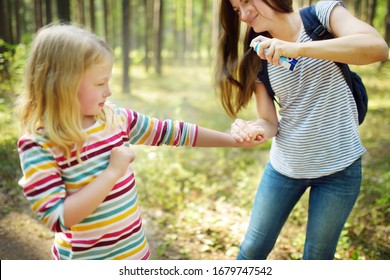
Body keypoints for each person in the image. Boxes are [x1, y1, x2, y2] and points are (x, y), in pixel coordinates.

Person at [16, 23, 264, 260]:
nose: (108, 91)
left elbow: (173, 132)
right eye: (100, 83)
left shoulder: (115, 118)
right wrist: (113, 172)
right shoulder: (39, 145)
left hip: (134, 256)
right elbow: (58, 219)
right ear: (63, 85)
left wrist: (232, 141)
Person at [214, 0, 388, 260]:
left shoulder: (322, 16)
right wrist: (253, 127)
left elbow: (378, 49)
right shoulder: (259, 57)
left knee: (317, 257)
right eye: (238, 10)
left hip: (340, 171)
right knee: (252, 249)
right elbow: (269, 121)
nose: (244, 14)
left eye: (247, 1)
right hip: (284, 170)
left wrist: (299, 49)